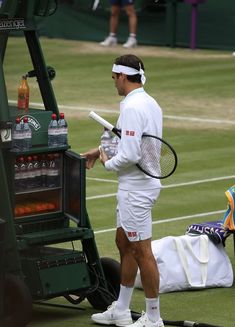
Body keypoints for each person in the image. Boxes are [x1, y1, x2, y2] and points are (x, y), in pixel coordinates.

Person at [81, 54, 164, 327]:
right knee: (124, 244)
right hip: (135, 186)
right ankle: (122, 309)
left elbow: (128, 155)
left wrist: (107, 163)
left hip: (136, 190)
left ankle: (153, 318)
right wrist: (100, 150)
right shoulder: (147, 102)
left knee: (142, 252)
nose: (113, 82)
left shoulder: (132, 107)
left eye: (114, 77)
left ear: (123, 76)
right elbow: (131, 141)